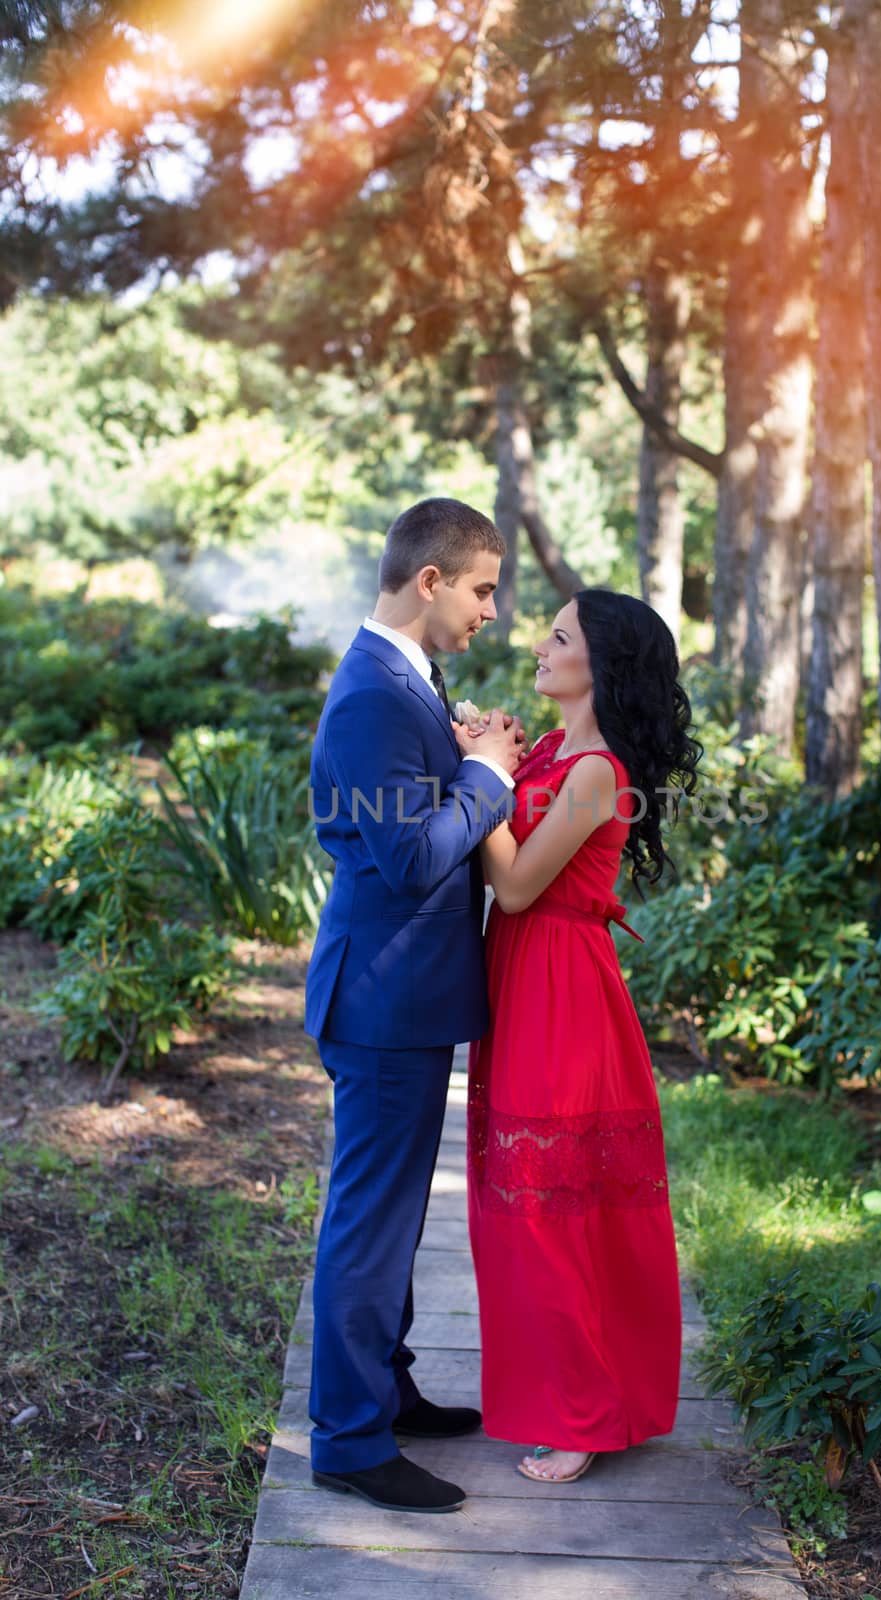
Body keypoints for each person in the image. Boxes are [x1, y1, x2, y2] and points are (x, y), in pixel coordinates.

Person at [304, 498, 526, 1513]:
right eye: (482, 587)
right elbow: (405, 858)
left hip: (403, 992)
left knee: (387, 1221)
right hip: (382, 997)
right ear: (430, 580)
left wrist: (460, 752)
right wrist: (485, 777)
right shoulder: (371, 695)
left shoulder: (406, 680)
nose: (491, 609)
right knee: (369, 1221)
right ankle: (348, 1439)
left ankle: (382, 1391)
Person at [467, 588, 701, 1484]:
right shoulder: (561, 748)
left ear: (599, 665)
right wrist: (495, 756)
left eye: (557, 636)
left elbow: (518, 886)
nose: (538, 643)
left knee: (552, 1204)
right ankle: (574, 1393)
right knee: (524, 1200)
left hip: (559, 984)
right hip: (522, 976)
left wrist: (482, 781)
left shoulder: (597, 768)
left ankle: (586, 1416)